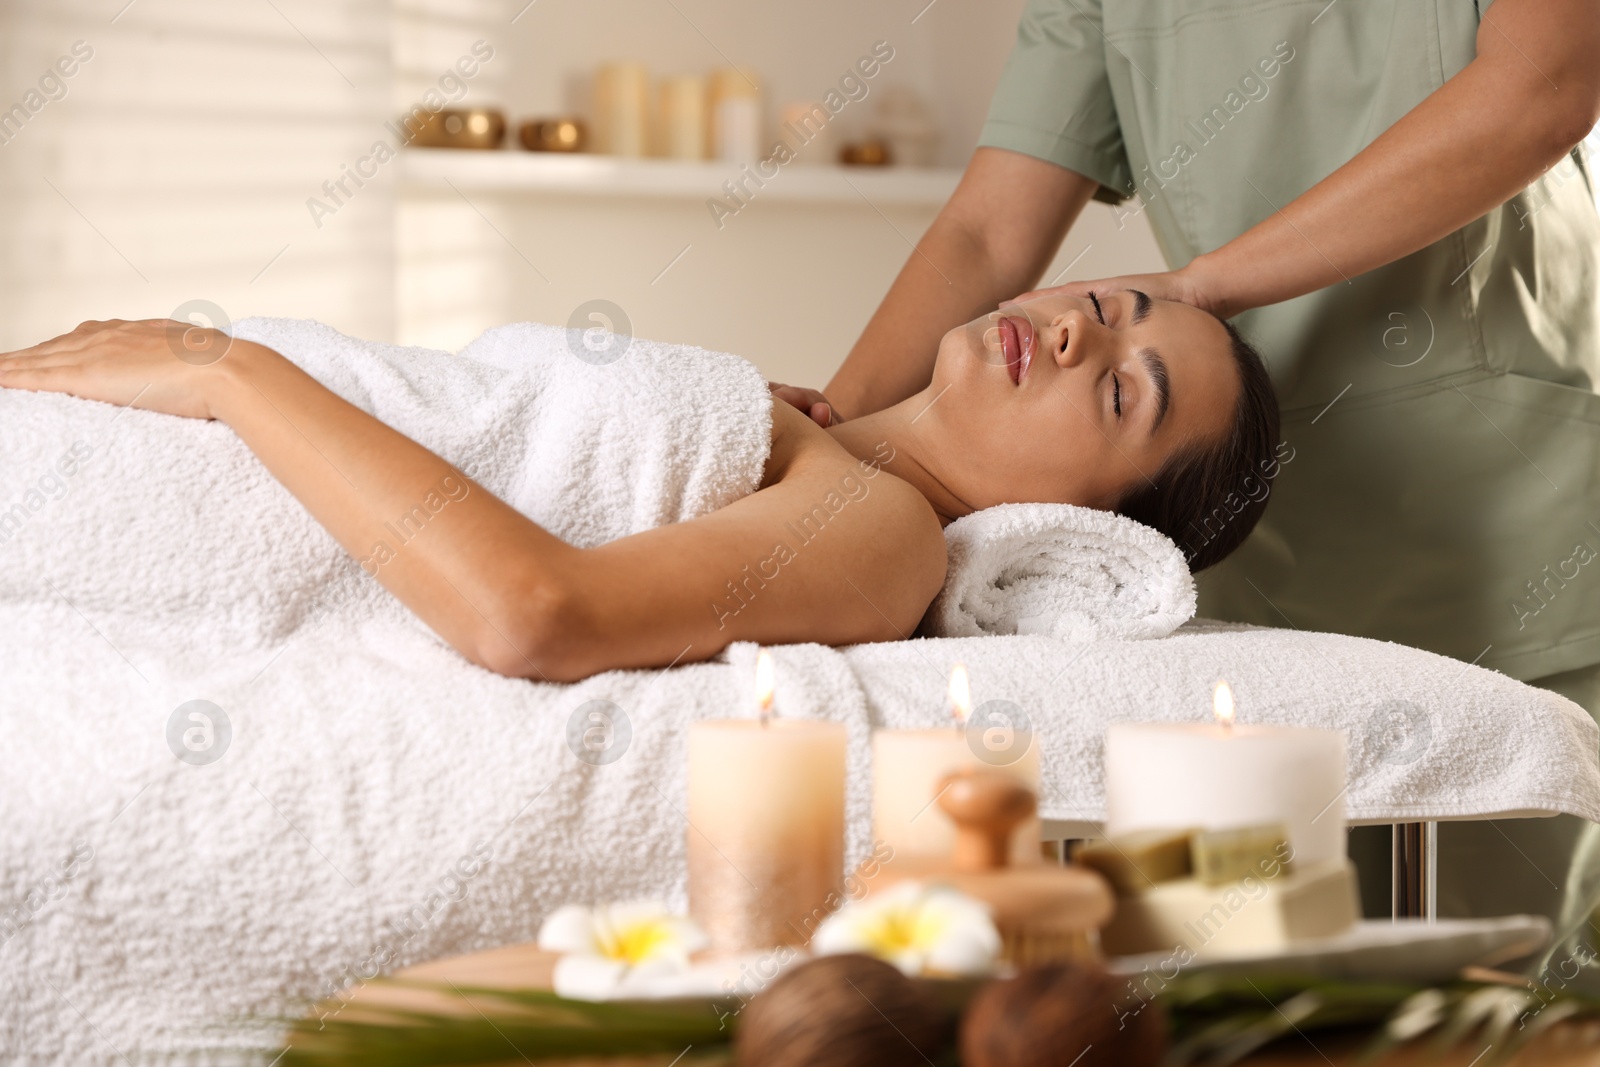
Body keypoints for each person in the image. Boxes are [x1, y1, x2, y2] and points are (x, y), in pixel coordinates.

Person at [772, 0, 1600, 973]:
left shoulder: (1159, 330)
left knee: (1499, 1001)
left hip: (1493, 541)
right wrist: (825, 443)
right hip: (1236, 562)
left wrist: (1198, 287)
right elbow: (990, 234)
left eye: (1110, 338)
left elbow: (1541, 89)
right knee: (1247, 993)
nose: (1075, 329)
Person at [0, 291, 1277, 680]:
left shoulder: (886, 538)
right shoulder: (815, 441)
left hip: (184, 461)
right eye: (1107, 307)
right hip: (128, 433)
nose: (1073, 335)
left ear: (1078, 526)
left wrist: (227, 369)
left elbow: (535, 609)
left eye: (1120, 388)